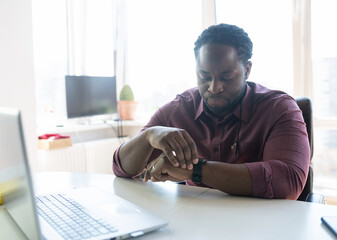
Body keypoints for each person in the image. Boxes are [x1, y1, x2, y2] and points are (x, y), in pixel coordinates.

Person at [112, 23, 310, 200]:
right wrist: (149, 136)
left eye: (227, 77)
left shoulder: (279, 108)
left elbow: (288, 181)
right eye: (204, 76)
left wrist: (195, 170)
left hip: (263, 224)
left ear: (247, 70)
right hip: (197, 222)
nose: (214, 87)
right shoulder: (179, 109)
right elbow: (121, 169)